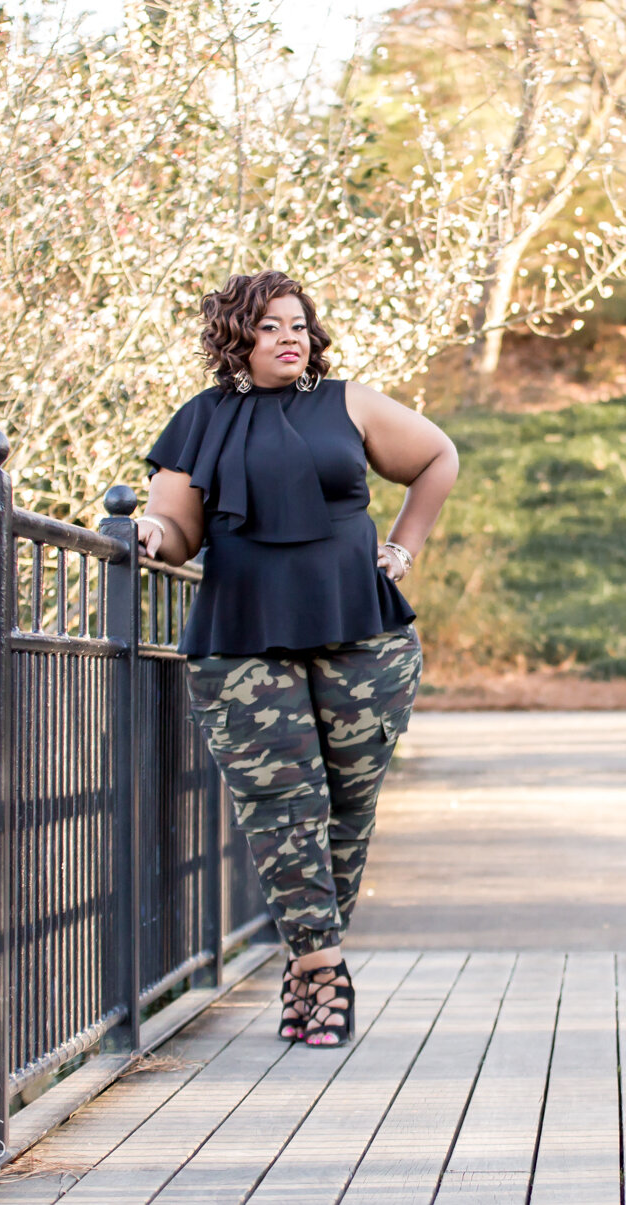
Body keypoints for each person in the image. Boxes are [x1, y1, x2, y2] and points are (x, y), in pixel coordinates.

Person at [137, 270, 458, 1047]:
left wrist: (402, 548)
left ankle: (307, 962)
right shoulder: (200, 421)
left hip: (363, 634)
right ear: (235, 338)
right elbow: (178, 532)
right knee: (283, 810)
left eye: (300, 325)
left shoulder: (348, 402)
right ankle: (322, 967)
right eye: (272, 325)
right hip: (243, 639)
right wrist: (150, 535)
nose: (292, 337)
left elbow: (438, 456)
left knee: (347, 811)